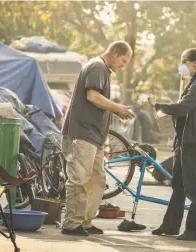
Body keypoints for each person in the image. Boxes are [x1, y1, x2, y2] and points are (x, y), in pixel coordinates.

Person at [61, 41, 135, 236]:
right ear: (114, 53)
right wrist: (118, 108)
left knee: (97, 181)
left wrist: (115, 110)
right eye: (123, 60)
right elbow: (93, 97)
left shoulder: (103, 69)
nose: (123, 66)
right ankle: (72, 224)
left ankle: (85, 222)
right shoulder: (97, 67)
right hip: (83, 133)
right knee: (79, 179)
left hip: (95, 136)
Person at [149, 48, 196, 241]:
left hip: (194, 142)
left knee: (194, 187)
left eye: (183, 61)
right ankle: (170, 226)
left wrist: (159, 105)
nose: (181, 65)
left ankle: (195, 231)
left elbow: (182, 108)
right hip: (184, 141)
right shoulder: (195, 83)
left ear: (194, 64)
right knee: (178, 184)